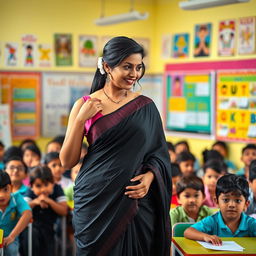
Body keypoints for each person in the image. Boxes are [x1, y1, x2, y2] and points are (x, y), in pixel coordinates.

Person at [60, 36, 172, 255]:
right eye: (127, 67)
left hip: (136, 201)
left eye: (138, 67)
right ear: (107, 66)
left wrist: (150, 178)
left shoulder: (146, 107)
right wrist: (81, 120)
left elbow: (159, 153)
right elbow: (67, 161)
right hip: (94, 200)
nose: (134, 74)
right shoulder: (85, 104)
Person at [184, 174, 256, 245]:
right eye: (225, 200)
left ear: (246, 204)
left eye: (238, 201)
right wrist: (205, 236)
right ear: (216, 201)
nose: (231, 205)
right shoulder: (212, 221)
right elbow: (188, 232)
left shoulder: (250, 223)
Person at [20, 166, 67, 256]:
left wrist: (49, 201)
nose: (43, 189)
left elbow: (64, 211)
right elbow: (22, 209)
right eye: (38, 186)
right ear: (31, 186)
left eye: (46, 185)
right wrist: (36, 202)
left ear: (53, 183)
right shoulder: (30, 191)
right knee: (31, 238)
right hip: (31, 229)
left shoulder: (57, 189)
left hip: (49, 229)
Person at [0, 171, 32, 256]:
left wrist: (11, 237)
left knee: (12, 250)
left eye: (5, 189)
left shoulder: (17, 197)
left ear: (11, 188)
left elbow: (27, 214)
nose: (1, 195)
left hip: (10, 238)